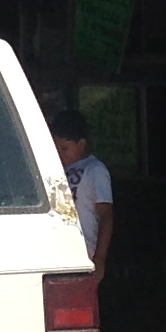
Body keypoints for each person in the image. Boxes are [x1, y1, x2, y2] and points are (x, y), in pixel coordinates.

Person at [48, 106, 113, 275]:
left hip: (84, 255)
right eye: (56, 148)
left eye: (65, 149)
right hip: (58, 252)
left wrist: (99, 258)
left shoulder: (95, 169)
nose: (60, 154)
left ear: (81, 144)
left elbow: (106, 215)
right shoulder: (55, 169)